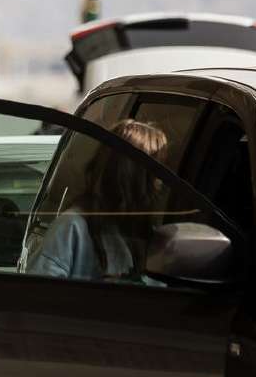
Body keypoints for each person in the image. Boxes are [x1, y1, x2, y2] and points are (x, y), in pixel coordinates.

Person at [24, 119, 167, 283]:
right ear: (133, 177)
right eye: (157, 173)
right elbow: (37, 296)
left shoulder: (151, 235)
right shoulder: (72, 227)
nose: (161, 183)